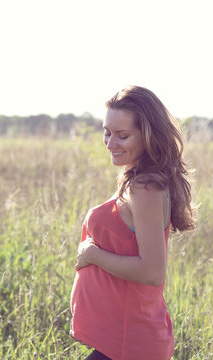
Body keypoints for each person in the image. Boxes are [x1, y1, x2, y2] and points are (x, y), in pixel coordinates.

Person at [70, 85, 195, 360]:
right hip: (119, 340)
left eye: (122, 135)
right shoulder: (133, 180)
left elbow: (152, 271)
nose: (110, 143)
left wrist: (92, 255)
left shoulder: (145, 187)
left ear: (148, 136)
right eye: (107, 132)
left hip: (132, 343)